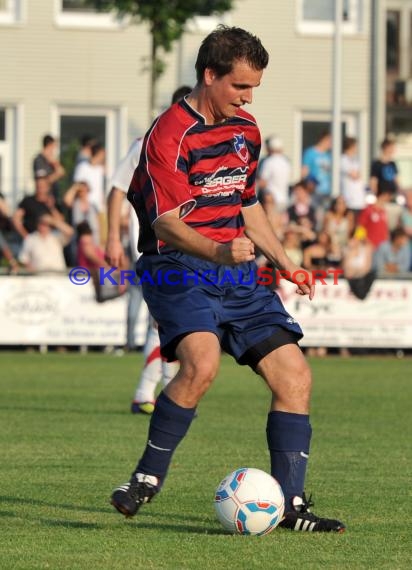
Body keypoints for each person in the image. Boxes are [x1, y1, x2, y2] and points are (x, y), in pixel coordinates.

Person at [110, 26, 345, 533]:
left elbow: (247, 201)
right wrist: (219, 248)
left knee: (295, 377)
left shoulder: (247, 130)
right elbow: (166, 222)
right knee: (201, 364)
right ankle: (145, 480)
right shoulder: (167, 136)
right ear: (209, 75)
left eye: (254, 87)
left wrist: (283, 259)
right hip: (177, 270)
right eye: (240, 86)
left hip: (238, 276)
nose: (248, 97)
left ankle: (292, 505)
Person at [105, 86, 191, 412]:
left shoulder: (197, 146)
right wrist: (113, 237)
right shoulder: (146, 143)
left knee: (172, 319)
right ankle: (148, 394)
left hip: (186, 246)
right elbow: (117, 189)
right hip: (152, 245)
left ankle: (162, 394)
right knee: (163, 317)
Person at [258, 135, 291, 214]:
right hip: (284, 199)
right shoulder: (286, 162)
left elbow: (262, 183)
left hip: (270, 200)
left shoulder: (269, 161)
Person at [301, 131, 332, 215]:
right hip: (314, 190)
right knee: (314, 213)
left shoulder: (329, 155)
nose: (331, 144)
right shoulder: (310, 153)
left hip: (327, 191)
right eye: (329, 141)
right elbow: (304, 171)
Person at [340, 136, 366, 220]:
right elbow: (354, 175)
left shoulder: (355, 161)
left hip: (359, 200)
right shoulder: (342, 160)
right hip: (350, 200)